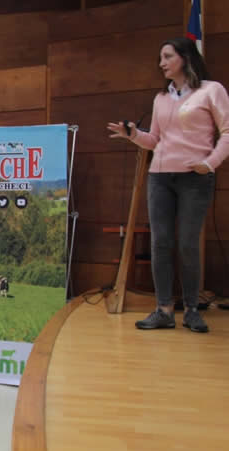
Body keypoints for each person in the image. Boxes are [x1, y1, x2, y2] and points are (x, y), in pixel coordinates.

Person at [107, 37, 229, 333]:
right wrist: (133, 134)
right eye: (160, 58)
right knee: (160, 243)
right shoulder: (160, 99)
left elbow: (227, 131)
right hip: (160, 177)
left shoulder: (211, 91)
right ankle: (163, 310)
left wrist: (210, 163)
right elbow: (154, 141)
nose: (161, 63)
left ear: (185, 58)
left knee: (188, 244)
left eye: (167, 56)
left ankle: (190, 310)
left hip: (195, 178)